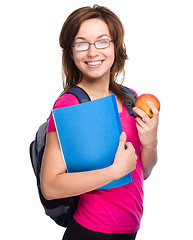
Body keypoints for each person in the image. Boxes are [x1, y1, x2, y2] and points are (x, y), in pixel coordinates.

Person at [41, 5, 159, 240]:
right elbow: (50, 186)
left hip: (129, 231)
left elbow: (142, 172)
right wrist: (113, 172)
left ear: (116, 46)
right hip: (90, 232)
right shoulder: (70, 105)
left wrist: (150, 143)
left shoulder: (130, 98)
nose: (93, 52)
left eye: (102, 41)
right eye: (81, 43)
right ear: (71, 53)